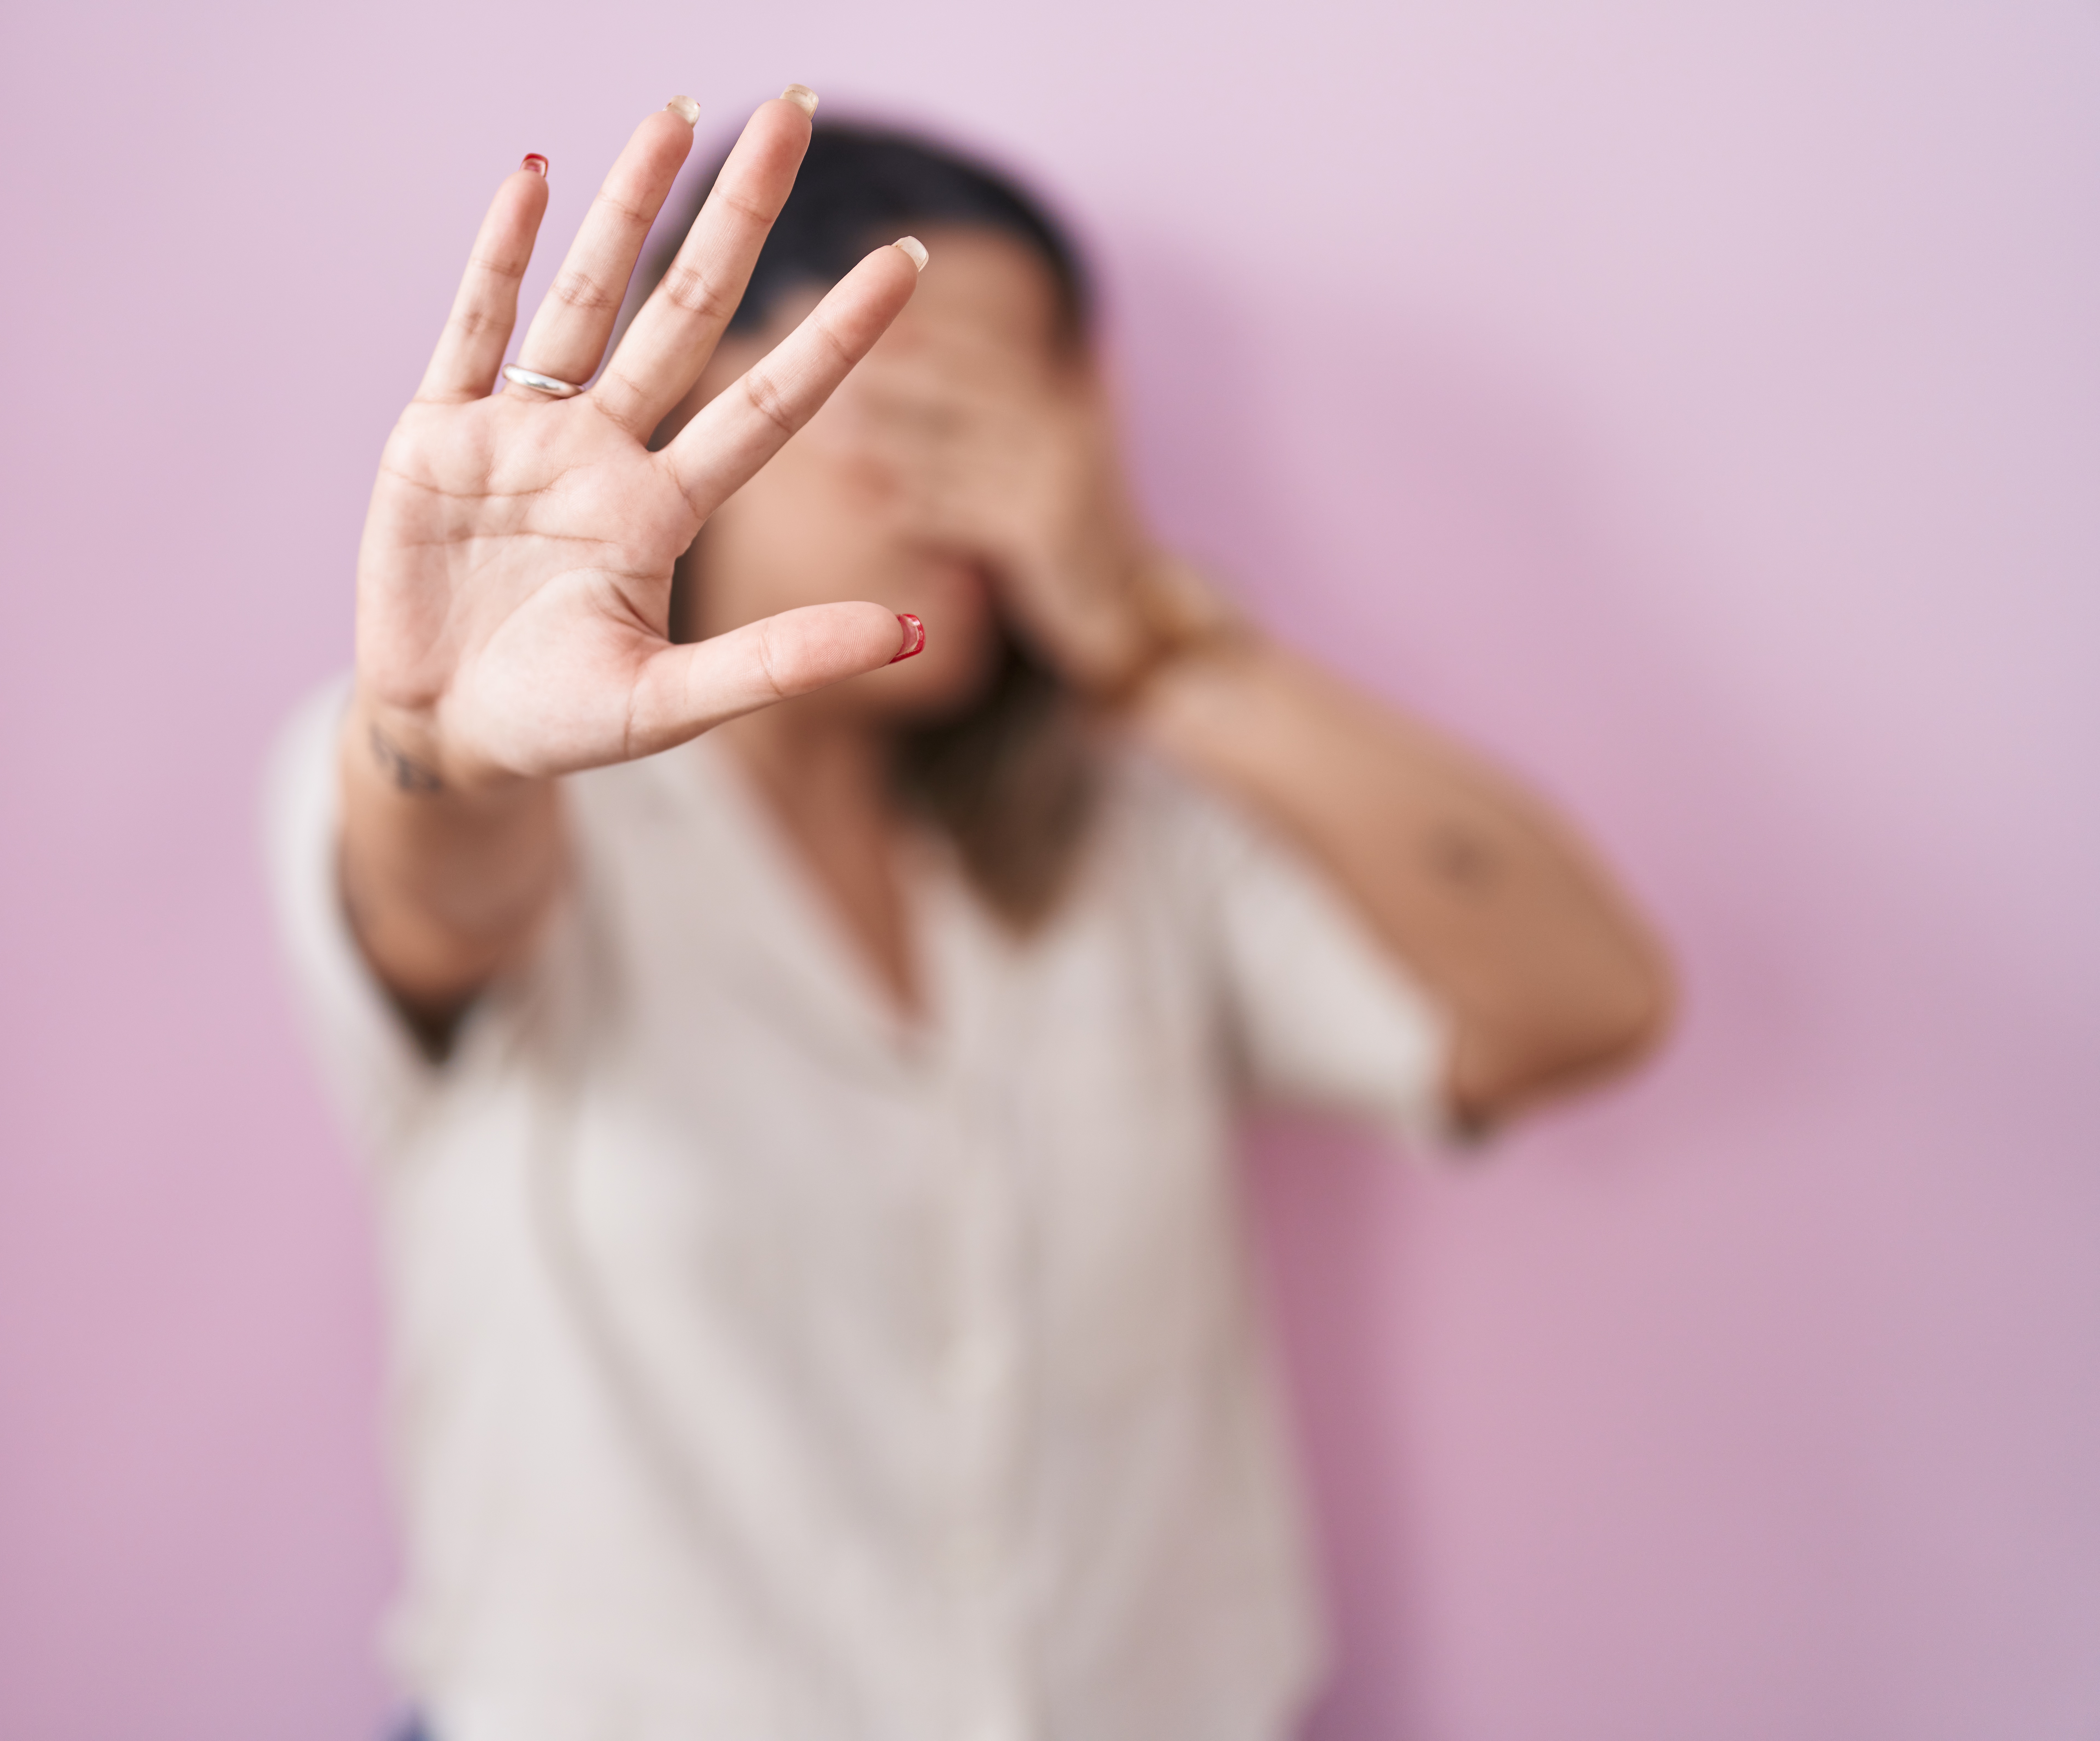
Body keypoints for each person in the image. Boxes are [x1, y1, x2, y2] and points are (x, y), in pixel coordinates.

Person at [266, 87, 1671, 1741]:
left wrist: (1155, 643)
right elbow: (435, 895)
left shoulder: (1128, 838)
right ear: (719, 378)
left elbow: (1586, 1002)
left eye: (1035, 415)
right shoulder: (495, 797)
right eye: (921, 395)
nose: (982, 482)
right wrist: (439, 745)